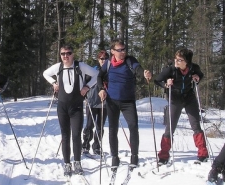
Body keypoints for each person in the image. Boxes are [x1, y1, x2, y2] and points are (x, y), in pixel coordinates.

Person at [43, 45, 98, 177]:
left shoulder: (80, 66)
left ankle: (77, 162)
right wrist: (53, 83)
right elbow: (45, 73)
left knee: (76, 135)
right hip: (62, 107)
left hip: (76, 106)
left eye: (68, 53)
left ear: (73, 54)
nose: (66, 56)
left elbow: (96, 75)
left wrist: (87, 86)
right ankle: (67, 163)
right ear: (60, 55)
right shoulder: (58, 67)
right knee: (65, 135)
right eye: (63, 54)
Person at [97, 39, 152, 170]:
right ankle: (115, 157)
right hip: (112, 101)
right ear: (112, 51)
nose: (122, 52)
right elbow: (100, 76)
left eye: (123, 49)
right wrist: (101, 89)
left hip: (128, 101)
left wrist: (144, 73)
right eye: (119, 50)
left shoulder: (129, 60)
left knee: (133, 127)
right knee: (113, 130)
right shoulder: (109, 63)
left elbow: (138, 69)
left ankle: (134, 156)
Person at [154, 48, 209, 164]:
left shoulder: (194, 68)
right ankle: (163, 156)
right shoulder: (171, 70)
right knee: (170, 127)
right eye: (176, 59)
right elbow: (157, 80)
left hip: (189, 98)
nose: (176, 61)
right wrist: (165, 84)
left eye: (180, 60)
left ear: (186, 62)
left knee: (196, 125)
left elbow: (200, 75)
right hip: (175, 99)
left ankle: (203, 153)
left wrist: (197, 78)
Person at [82, 50, 109, 155]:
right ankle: (85, 145)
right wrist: (84, 96)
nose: (104, 61)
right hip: (92, 101)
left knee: (100, 126)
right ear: (98, 59)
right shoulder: (93, 70)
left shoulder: (110, 71)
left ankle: (97, 146)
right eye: (101, 59)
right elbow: (84, 83)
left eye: (106, 58)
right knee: (89, 125)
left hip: (104, 102)